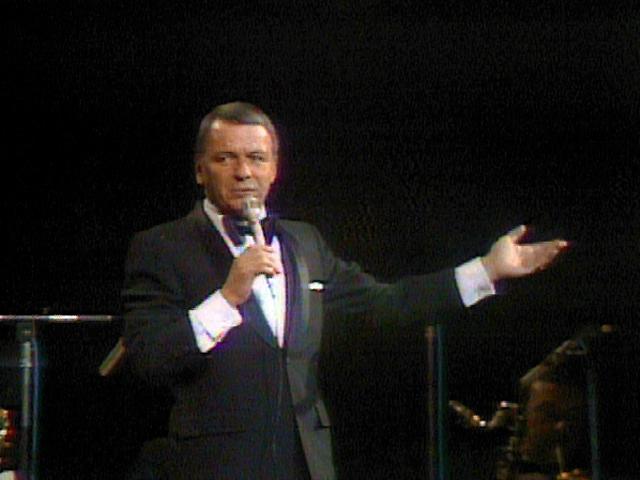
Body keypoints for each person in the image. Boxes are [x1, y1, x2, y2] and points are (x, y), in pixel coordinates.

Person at [122, 101, 568, 479]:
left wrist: (487, 269)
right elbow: (151, 357)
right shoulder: (162, 247)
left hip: (305, 464)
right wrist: (228, 297)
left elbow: (383, 304)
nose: (244, 172)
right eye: (226, 159)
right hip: (215, 465)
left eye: (257, 158)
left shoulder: (303, 242)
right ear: (201, 170)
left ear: (275, 169)